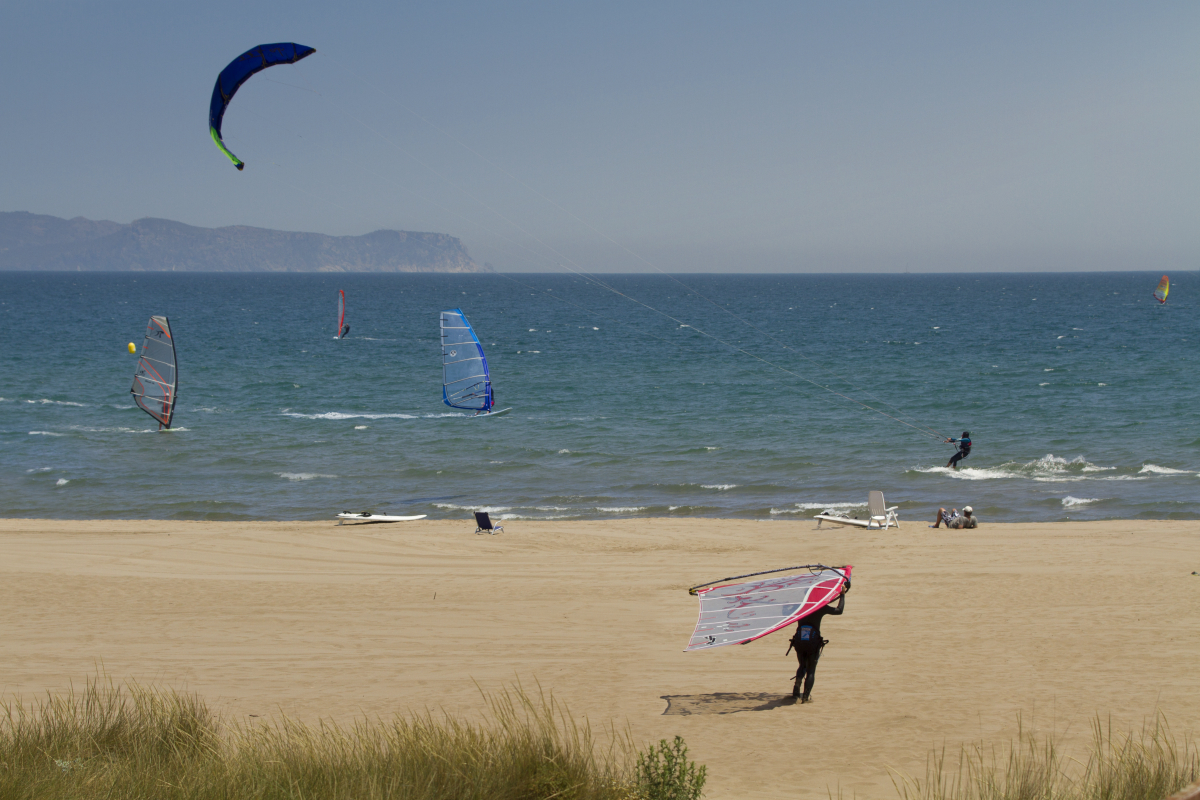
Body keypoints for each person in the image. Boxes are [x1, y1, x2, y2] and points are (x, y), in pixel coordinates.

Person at [787, 583, 847, 704]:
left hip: (799, 641)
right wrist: (842, 595)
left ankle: (796, 690)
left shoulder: (801, 606)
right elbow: (839, 611)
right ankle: (805, 697)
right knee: (811, 670)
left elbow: (785, 611)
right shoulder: (820, 607)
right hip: (812, 642)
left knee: (802, 665)